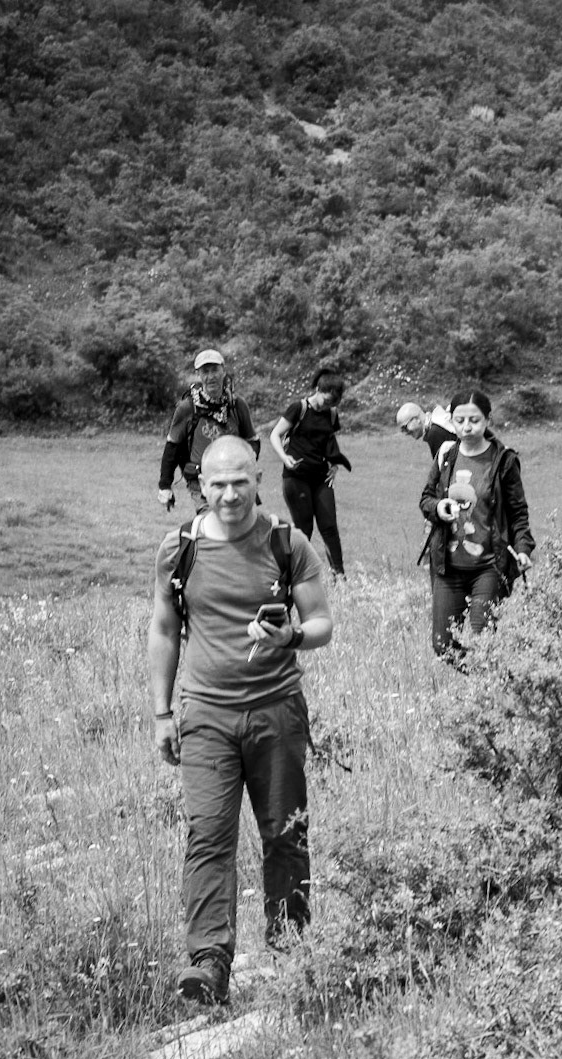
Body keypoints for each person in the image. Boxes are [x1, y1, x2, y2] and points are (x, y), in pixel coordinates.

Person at [148, 435, 333, 1005]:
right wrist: (161, 712)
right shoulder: (179, 549)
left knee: (285, 834)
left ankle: (291, 952)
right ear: (201, 486)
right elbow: (164, 629)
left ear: (258, 481)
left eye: (240, 482)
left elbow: (321, 623)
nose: (230, 495)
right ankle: (209, 961)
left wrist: (291, 636)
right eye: (218, 484)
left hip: (277, 710)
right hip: (206, 714)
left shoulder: (287, 543)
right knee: (208, 834)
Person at [420, 391, 534, 660]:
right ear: (451, 420)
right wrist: (438, 507)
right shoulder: (446, 455)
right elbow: (426, 498)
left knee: (483, 639)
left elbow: (518, 512)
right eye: (460, 420)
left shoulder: (504, 461)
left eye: (474, 420)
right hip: (447, 567)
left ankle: (493, 682)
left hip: (489, 566)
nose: (467, 427)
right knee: (443, 646)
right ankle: (495, 680)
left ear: (488, 420)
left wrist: (523, 549)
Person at [269, 366, 351, 580]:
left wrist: (334, 464)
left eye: (333, 403)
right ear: (318, 390)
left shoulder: (331, 413)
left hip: (321, 478)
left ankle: (339, 576)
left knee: (329, 526)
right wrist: (284, 458)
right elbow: (275, 434)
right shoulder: (299, 408)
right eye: (326, 401)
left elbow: (329, 440)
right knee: (304, 529)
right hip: (296, 478)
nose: (328, 406)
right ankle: (294, 574)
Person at [158, 349, 261, 510]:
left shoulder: (237, 405)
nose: (211, 376)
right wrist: (165, 486)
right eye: (205, 371)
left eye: (215, 370)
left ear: (223, 371)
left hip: (233, 478)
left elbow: (252, 441)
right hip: (201, 481)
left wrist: (247, 461)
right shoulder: (187, 408)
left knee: (237, 521)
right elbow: (172, 447)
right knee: (210, 521)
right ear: (198, 374)